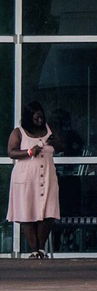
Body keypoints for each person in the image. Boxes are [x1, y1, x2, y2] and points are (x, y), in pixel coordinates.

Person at [6, 101, 62, 259]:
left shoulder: (49, 130)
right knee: (27, 211)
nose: (40, 120)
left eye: (42, 117)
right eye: (36, 118)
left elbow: (62, 146)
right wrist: (30, 151)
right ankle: (34, 250)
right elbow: (11, 152)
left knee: (49, 211)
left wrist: (55, 142)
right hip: (25, 178)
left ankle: (41, 248)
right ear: (28, 117)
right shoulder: (19, 132)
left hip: (48, 176)